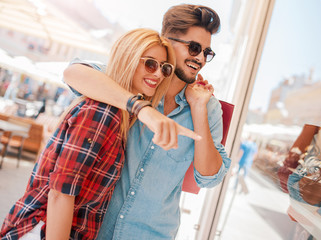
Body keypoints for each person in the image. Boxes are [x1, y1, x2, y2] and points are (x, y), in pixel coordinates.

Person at [0, 28, 190, 240]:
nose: (157, 74)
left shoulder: (119, 114)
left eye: (164, 68)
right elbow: (60, 193)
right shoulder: (103, 111)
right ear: (128, 59)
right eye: (150, 64)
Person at [63, 4, 231, 239]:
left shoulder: (208, 107)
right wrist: (141, 108)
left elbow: (209, 176)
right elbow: (74, 73)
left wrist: (198, 108)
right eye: (193, 48)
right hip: (94, 229)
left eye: (207, 52)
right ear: (166, 41)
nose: (200, 58)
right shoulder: (133, 80)